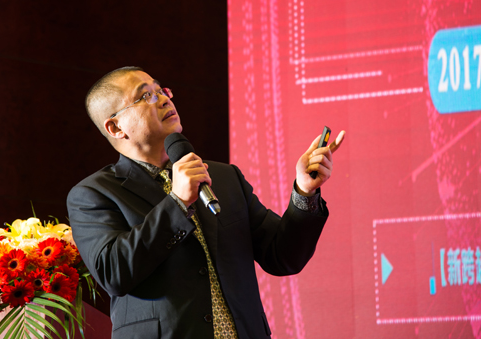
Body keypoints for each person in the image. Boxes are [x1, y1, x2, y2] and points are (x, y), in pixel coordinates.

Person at [67, 67, 345, 339]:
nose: (164, 99)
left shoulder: (223, 177)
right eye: (146, 96)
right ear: (115, 127)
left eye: (161, 90)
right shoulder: (93, 194)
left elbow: (282, 257)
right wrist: (177, 202)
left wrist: (304, 193)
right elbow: (114, 273)